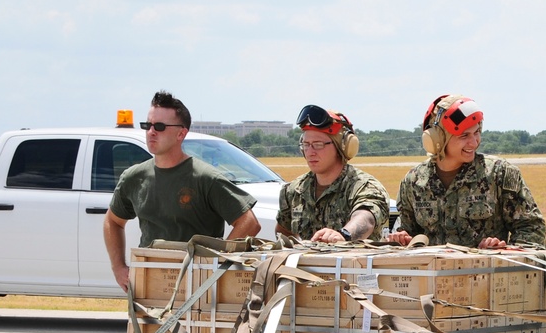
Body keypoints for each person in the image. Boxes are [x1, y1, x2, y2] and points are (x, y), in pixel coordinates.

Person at [104, 90, 261, 291]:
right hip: (149, 282)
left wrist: (217, 265)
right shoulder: (133, 177)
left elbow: (249, 223)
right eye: (147, 125)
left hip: (196, 285)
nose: (151, 131)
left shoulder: (205, 178)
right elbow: (113, 221)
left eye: (159, 126)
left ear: (181, 133)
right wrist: (118, 267)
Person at [386, 94, 546, 249]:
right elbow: (410, 235)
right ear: (438, 139)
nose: (474, 142)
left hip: (485, 274)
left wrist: (502, 250)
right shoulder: (413, 182)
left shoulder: (499, 174)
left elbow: (532, 230)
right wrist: (402, 239)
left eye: (476, 132)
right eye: (464, 135)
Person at [276, 105, 389, 243]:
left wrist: (344, 235)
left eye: (318, 144)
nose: (310, 152)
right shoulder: (294, 191)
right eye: (306, 144)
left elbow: (366, 219)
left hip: (352, 263)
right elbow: (283, 232)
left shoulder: (364, 187)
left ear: (342, 146)